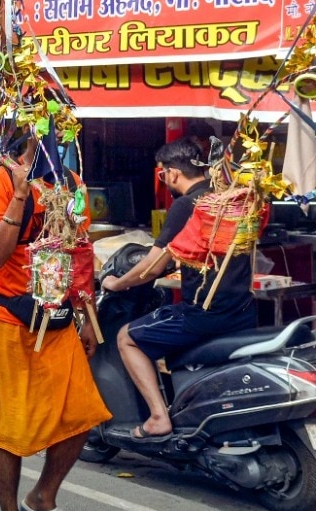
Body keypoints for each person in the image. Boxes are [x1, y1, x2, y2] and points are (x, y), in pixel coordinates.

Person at [0, 134, 110, 511]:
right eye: (44, 129)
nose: (55, 138)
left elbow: (81, 253)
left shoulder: (71, 184)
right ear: (26, 136)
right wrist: (19, 192)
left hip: (57, 320)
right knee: (13, 428)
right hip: (8, 319)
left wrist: (88, 318)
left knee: (82, 415)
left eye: (60, 129)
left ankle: (43, 498)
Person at [101, 137, 256, 440]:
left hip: (205, 314)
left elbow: (153, 266)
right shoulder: (224, 200)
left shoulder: (188, 206)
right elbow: (194, 252)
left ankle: (159, 417)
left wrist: (116, 283)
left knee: (127, 338)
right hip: (242, 310)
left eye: (162, 174)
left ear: (171, 173)